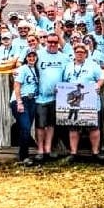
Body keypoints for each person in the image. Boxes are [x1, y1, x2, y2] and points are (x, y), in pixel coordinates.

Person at [62, 43, 104, 160]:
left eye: (82, 52)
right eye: (77, 52)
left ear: (86, 54)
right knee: (73, 127)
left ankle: (95, 153)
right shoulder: (68, 66)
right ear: (74, 54)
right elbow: (64, 81)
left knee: (93, 127)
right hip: (73, 102)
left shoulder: (93, 65)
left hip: (89, 99)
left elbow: (101, 77)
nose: (79, 54)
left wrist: (98, 85)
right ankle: (73, 153)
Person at [33, 33, 69, 161]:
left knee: (51, 124)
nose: (52, 44)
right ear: (46, 42)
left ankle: (48, 149)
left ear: (58, 42)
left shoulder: (64, 57)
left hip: (57, 97)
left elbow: (67, 75)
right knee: (40, 125)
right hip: (41, 97)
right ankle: (40, 150)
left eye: (55, 42)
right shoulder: (39, 55)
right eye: (50, 42)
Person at [11, 50, 40, 165]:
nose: (31, 58)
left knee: (26, 127)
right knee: (25, 127)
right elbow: (17, 86)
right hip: (21, 99)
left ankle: (24, 151)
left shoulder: (37, 70)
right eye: (29, 56)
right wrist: (19, 102)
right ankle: (24, 156)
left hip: (32, 100)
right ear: (26, 58)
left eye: (34, 56)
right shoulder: (22, 69)